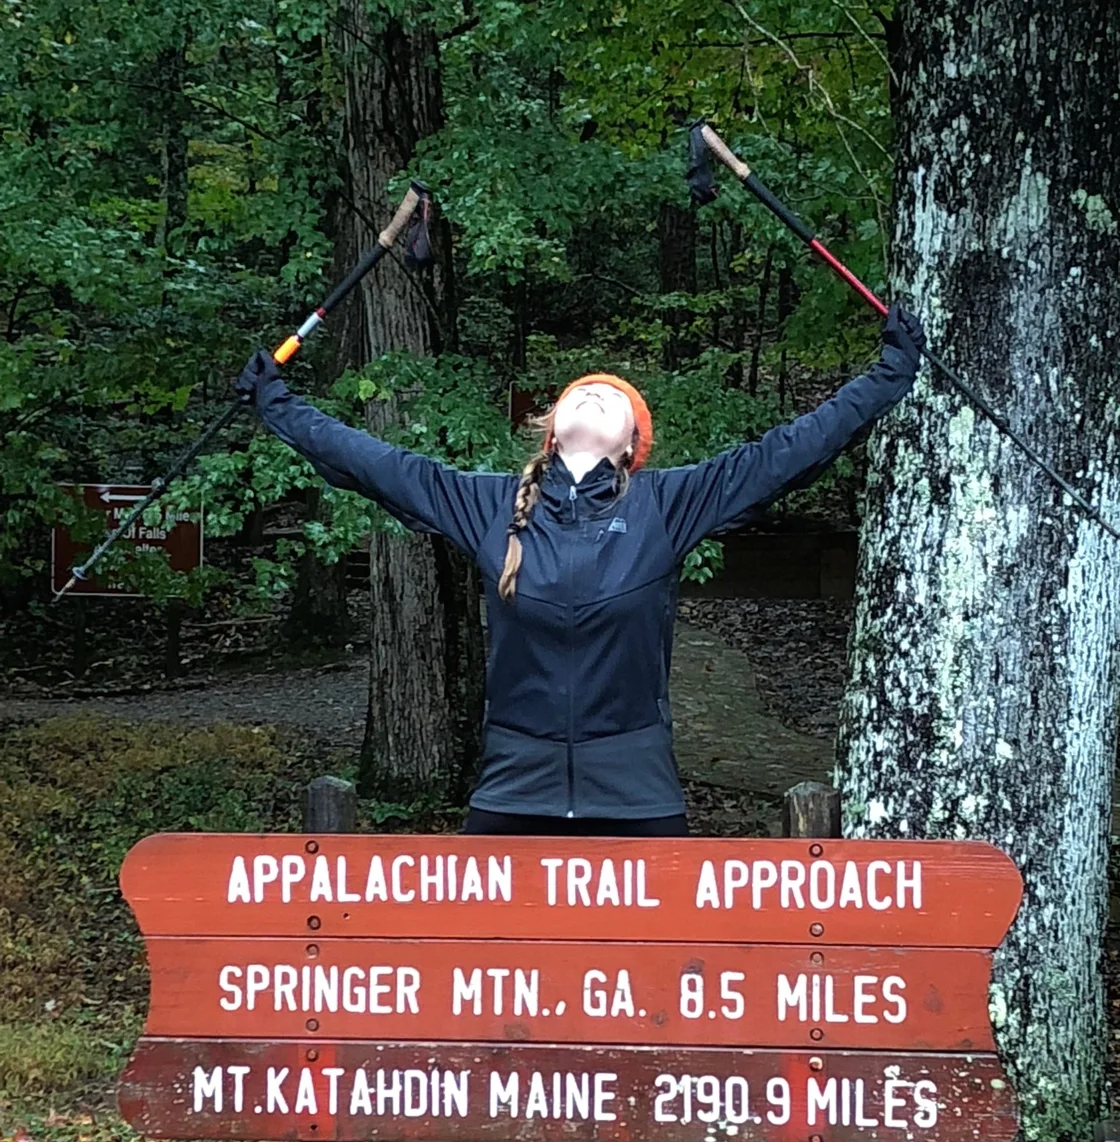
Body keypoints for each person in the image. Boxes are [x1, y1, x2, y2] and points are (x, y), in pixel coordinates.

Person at [237, 305, 925, 837]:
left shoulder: (665, 503)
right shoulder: (491, 504)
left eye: (615, 398)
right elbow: (373, 464)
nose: (596, 395)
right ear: (551, 425)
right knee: (484, 989)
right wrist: (278, 404)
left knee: (664, 992)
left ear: (633, 445)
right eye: (581, 392)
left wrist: (888, 375)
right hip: (511, 790)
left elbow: (789, 452)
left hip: (639, 792)